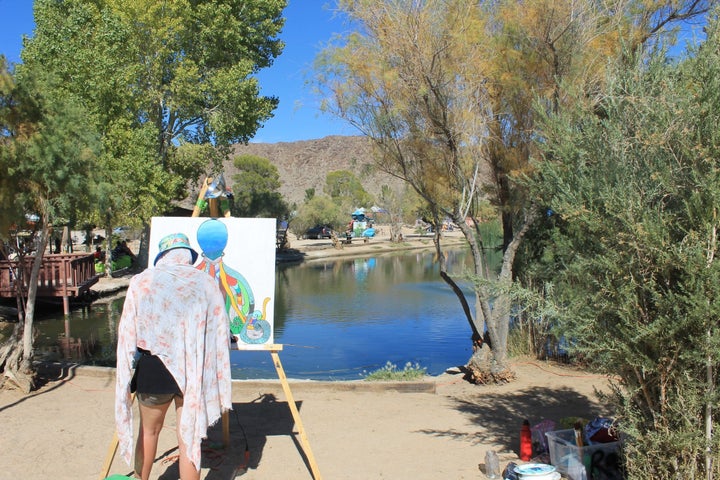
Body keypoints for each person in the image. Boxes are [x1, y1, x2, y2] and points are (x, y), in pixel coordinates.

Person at [115, 232, 232, 480]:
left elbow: (127, 331)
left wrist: (125, 374)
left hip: (153, 369)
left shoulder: (142, 281)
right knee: (188, 437)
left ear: (163, 256)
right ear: (187, 257)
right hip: (193, 369)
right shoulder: (206, 283)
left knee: (149, 432)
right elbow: (221, 327)